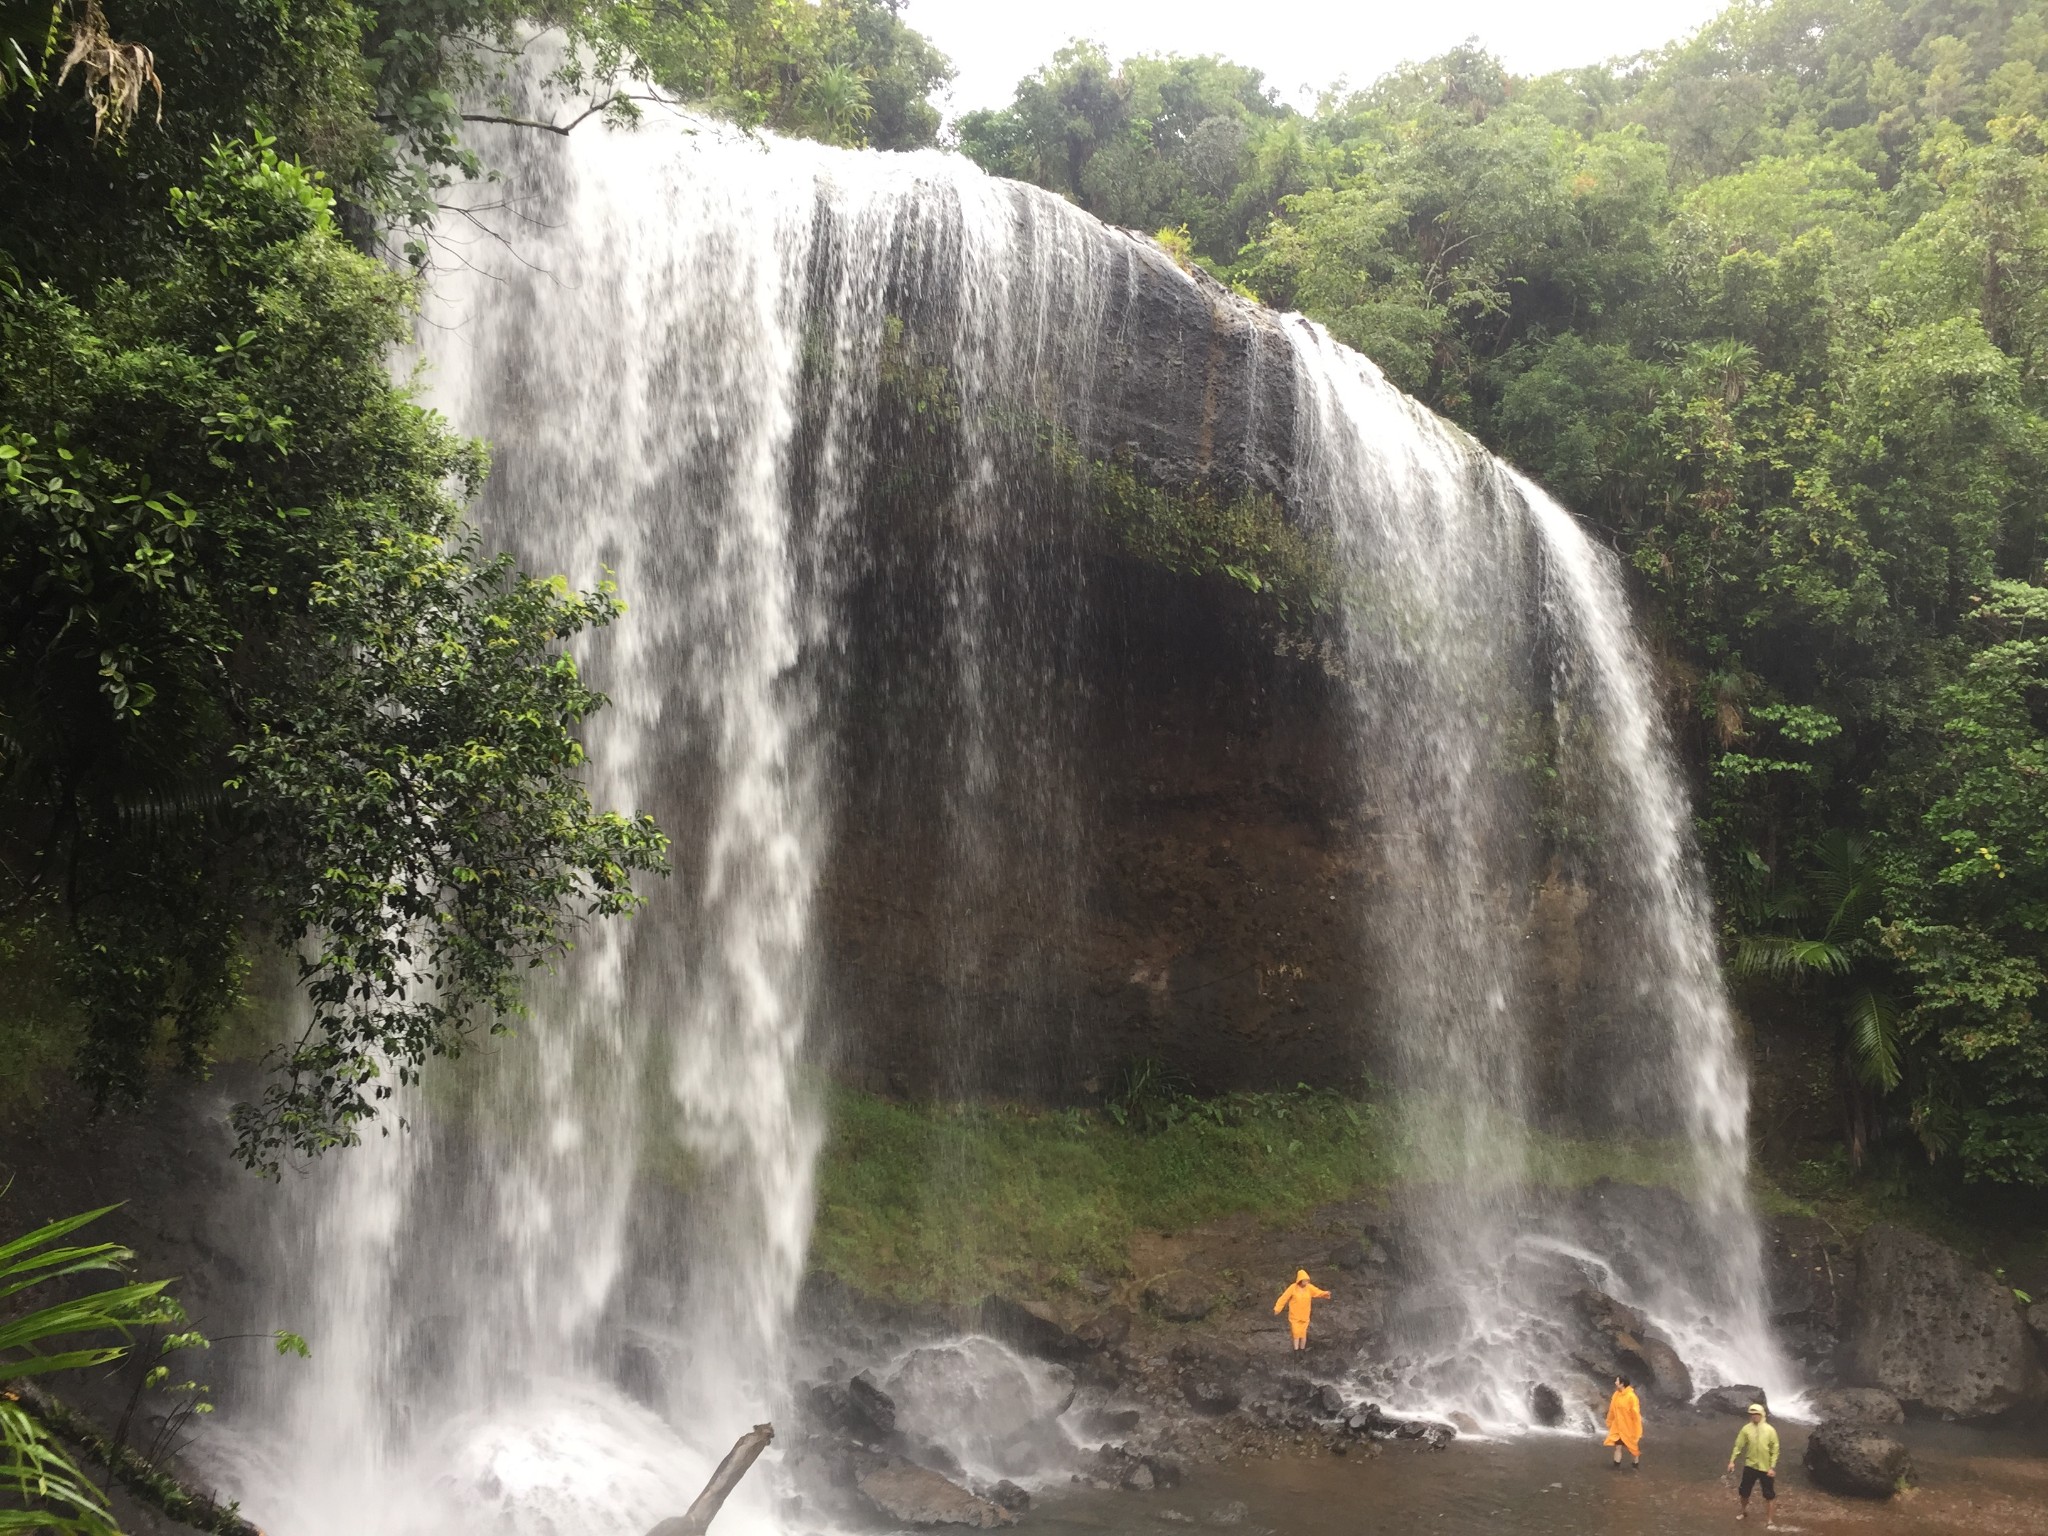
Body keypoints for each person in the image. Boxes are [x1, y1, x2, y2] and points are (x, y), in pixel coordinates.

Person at [1727, 1402, 1781, 1526]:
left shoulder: (1770, 1430)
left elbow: (1775, 1449)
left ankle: (1769, 1520)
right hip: (1750, 1465)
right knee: (1744, 1491)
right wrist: (1732, 1461)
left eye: (1756, 1414)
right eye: (1751, 1414)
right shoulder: (1746, 1429)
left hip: (1765, 1467)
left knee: (1769, 1494)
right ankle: (1743, 1511)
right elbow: (1738, 1445)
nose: (1754, 1416)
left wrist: (1772, 1467)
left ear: (1762, 1414)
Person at [1272, 1269, 1330, 1351]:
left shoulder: (1309, 1288)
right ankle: (1296, 1351)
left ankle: (1302, 1351)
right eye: (1305, 1280)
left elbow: (1317, 1292)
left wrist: (1325, 1294)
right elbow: (1284, 1298)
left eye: (1307, 1280)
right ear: (1300, 1280)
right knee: (1296, 1333)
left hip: (1305, 1315)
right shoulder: (1293, 1288)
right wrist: (1278, 1308)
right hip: (1295, 1315)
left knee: (1303, 1334)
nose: (1307, 1282)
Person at [1603, 1375, 1642, 1468]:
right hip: (1618, 1426)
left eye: (1617, 1381)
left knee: (1632, 1447)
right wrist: (1609, 1421)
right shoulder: (1616, 1395)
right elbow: (1612, 1410)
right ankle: (1616, 1467)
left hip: (1629, 1427)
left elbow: (1636, 1414)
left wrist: (1637, 1428)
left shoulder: (1631, 1397)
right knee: (1618, 1446)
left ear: (1622, 1383)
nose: (1615, 1382)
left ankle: (1635, 1465)